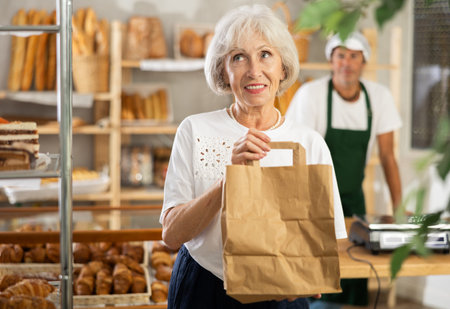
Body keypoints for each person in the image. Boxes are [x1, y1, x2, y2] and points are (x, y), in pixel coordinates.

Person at [159, 4, 347, 309]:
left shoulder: (308, 143)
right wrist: (230, 179)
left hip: (282, 293)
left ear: (283, 67)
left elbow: (330, 237)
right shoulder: (194, 130)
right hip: (204, 288)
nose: (253, 70)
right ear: (224, 70)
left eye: (265, 55)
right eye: (238, 57)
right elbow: (171, 234)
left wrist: (304, 276)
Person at [285, 32, 403, 308]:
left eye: (354, 56)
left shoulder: (379, 98)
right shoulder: (310, 95)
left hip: (354, 200)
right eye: (341, 55)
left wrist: (399, 207)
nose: (346, 63)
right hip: (315, 200)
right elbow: (296, 155)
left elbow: (388, 156)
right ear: (330, 60)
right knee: (319, 276)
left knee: (356, 272)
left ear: (364, 62)